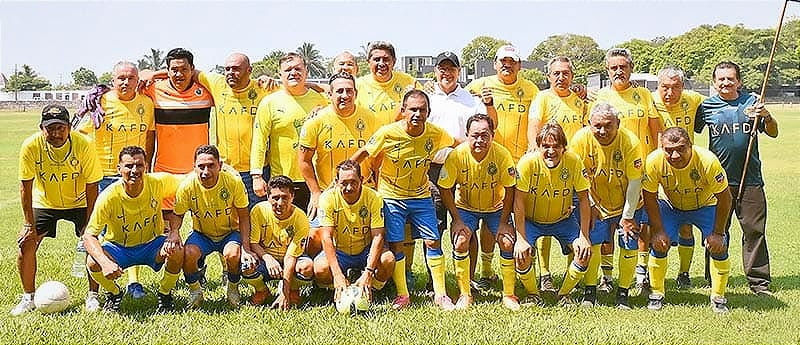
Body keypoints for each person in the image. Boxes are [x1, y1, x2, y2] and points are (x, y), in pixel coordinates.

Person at [351, 90, 455, 310]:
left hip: (421, 195)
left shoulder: (436, 134)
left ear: (428, 112)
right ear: (403, 111)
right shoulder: (388, 133)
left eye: (422, 110)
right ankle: (403, 295)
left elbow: (456, 143)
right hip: (392, 196)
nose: (417, 114)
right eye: (413, 109)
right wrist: (342, 175)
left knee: (433, 241)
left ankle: (441, 295)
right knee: (397, 244)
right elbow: (364, 152)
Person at [694, 61, 779, 296]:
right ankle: (714, 279)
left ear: (739, 81)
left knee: (754, 231)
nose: (726, 83)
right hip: (718, 181)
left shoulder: (752, 103)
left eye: (731, 78)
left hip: (750, 179)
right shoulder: (706, 107)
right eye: (721, 79)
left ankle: (759, 283)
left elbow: (773, 131)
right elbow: (690, 130)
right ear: (714, 82)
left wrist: (767, 115)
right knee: (717, 230)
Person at [77, 61, 155, 302]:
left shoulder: (146, 103)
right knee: (96, 234)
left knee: (135, 229)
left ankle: (134, 283)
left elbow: (150, 137)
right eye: (121, 78)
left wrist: (147, 168)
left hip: (135, 173)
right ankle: (94, 293)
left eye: (131, 78)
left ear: (137, 80)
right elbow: (80, 135)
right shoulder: (100, 102)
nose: (125, 82)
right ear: (112, 80)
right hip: (104, 175)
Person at [13, 104, 102, 316]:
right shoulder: (31, 145)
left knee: (95, 243)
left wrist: (90, 226)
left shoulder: (84, 144)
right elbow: (25, 186)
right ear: (41, 128)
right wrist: (28, 225)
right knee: (25, 245)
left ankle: (93, 296)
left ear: (69, 127)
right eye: (50, 128)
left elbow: (92, 186)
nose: (55, 133)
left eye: (60, 127)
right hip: (46, 203)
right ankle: (28, 297)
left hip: (80, 201)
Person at [465, 44, 539, 286]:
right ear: (495, 64)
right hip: (489, 162)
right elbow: (457, 97)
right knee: (490, 216)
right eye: (502, 61)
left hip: (521, 164)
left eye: (512, 61)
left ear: (519, 65)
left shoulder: (531, 89)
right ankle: (486, 271)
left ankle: (526, 268)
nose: (507, 65)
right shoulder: (479, 85)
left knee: (522, 217)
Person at [82, 146, 184, 313]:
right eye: (129, 166)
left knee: (177, 250)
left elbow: (188, 179)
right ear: (119, 169)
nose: (135, 170)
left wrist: (224, 169)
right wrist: (105, 262)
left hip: (152, 245)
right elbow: (89, 236)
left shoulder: (157, 183)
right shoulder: (108, 196)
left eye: (139, 165)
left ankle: (165, 295)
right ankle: (115, 293)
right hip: (119, 248)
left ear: (146, 166)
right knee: (93, 262)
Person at [592, 47, 661, 294]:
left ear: (631, 68)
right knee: (607, 227)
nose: (618, 71)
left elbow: (656, 131)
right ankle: (606, 277)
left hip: (640, 172)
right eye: (613, 68)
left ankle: (641, 274)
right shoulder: (601, 96)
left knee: (641, 225)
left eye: (623, 67)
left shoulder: (643, 94)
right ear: (607, 71)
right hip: (609, 173)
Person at [643, 127, 732, 313]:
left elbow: (725, 197)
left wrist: (718, 233)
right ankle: (656, 294)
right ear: (662, 148)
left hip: (706, 205)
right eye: (668, 150)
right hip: (671, 205)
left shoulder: (707, 161)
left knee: (719, 245)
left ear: (690, 146)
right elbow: (649, 196)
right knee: (659, 243)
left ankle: (718, 297)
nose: (674, 155)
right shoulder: (653, 161)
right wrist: (658, 230)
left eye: (681, 149)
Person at [426, 51, 495, 291]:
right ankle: (435, 281)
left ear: (459, 71)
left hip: (466, 171)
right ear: (435, 71)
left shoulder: (471, 100)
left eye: (451, 68)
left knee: (466, 225)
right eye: (442, 68)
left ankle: (469, 278)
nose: (447, 73)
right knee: (434, 227)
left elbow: (484, 129)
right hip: (433, 171)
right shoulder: (427, 100)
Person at [569, 103, 644, 309]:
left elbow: (635, 181)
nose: (603, 131)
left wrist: (628, 216)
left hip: (628, 202)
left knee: (628, 242)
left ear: (618, 124)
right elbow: (578, 179)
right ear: (589, 124)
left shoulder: (630, 141)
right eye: (598, 126)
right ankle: (590, 292)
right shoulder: (580, 140)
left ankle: (623, 293)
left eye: (608, 126)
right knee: (593, 242)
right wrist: (591, 205)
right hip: (596, 201)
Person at [437, 114, 516, 310]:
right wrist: (456, 219)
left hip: (495, 208)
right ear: (467, 135)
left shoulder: (502, 155)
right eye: (475, 136)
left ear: (493, 135)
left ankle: (509, 295)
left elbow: (511, 189)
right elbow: (444, 188)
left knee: (507, 242)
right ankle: (465, 294)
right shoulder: (456, 155)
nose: (479, 140)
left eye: (484, 135)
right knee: (461, 241)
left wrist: (505, 221)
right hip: (466, 208)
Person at [513, 122, 592, 307]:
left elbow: (583, 199)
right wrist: (521, 238)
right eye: (545, 146)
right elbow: (518, 202)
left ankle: (564, 294)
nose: (550, 151)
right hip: (532, 221)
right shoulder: (527, 163)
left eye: (556, 146)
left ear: (564, 147)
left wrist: (584, 236)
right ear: (538, 147)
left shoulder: (573, 161)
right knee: (522, 254)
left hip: (563, 220)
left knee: (583, 253)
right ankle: (533, 294)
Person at [527, 56, 588, 293]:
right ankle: (545, 274)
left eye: (566, 73)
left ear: (572, 76)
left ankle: (569, 280)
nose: (561, 77)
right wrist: (536, 156)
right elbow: (534, 132)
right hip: (546, 169)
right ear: (548, 76)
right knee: (544, 222)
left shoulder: (579, 102)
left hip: (571, 171)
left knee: (571, 225)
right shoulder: (542, 98)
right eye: (556, 74)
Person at [299, 71, 376, 256]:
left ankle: (373, 277)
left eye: (349, 91)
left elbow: (377, 159)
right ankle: (319, 277)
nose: (345, 95)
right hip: (329, 193)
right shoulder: (315, 122)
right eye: (339, 91)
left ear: (356, 93)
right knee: (314, 237)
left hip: (364, 192)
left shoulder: (371, 119)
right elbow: (303, 160)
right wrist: (316, 193)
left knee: (379, 237)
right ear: (330, 94)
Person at [174, 145, 252, 307]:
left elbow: (244, 217)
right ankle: (195, 290)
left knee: (232, 254)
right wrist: (174, 232)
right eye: (201, 166)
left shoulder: (233, 182)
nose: (205, 171)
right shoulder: (186, 186)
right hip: (202, 234)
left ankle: (232, 288)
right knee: (188, 253)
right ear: (194, 167)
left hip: (230, 233)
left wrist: (246, 247)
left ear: (220, 165)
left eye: (211, 165)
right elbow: (178, 215)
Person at [195, 52, 275, 209]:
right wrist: (152, 74)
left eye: (236, 69)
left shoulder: (264, 88)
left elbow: (296, 90)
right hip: (225, 169)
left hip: (256, 171)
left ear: (249, 70)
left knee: (256, 217)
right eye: (227, 69)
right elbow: (187, 70)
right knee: (228, 218)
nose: (231, 73)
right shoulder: (217, 83)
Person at [251, 52, 328, 212]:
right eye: (288, 70)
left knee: (314, 231)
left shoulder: (321, 100)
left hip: (315, 179)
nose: (294, 73)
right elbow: (259, 140)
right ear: (280, 74)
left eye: (298, 69)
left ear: (306, 71)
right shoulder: (269, 103)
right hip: (282, 179)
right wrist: (257, 176)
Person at [313, 160, 396, 309]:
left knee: (388, 260)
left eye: (353, 182)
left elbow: (378, 236)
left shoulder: (374, 198)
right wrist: (337, 274)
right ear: (337, 182)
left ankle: (371, 288)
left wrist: (369, 272)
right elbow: (326, 237)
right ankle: (337, 289)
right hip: (341, 251)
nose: (349, 187)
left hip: (365, 250)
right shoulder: (327, 198)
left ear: (362, 180)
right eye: (344, 183)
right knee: (320, 269)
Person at [653, 66, 706, 289]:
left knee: (686, 226)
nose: (669, 92)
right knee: (651, 226)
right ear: (658, 87)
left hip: (687, 171)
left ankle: (684, 273)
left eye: (675, 88)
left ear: (683, 88)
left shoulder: (693, 99)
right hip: (658, 170)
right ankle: (646, 274)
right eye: (665, 87)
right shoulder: (649, 100)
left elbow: (722, 99)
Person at [243, 175, 314, 310]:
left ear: (292, 197)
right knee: (246, 265)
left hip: (290, 258)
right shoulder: (258, 211)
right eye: (275, 198)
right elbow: (253, 242)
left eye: (285, 197)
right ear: (267, 197)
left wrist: (284, 293)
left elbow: (291, 257)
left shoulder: (301, 218)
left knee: (307, 267)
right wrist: (268, 259)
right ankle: (261, 290)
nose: (280, 203)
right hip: (266, 258)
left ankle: (293, 289)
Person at [355, 41, 420, 127]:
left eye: (386, 59)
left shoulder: (409, 81)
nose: (381, 64)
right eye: (377, 59)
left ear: (394, 61)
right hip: (371, 138)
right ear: (368, 62)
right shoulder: (357, 86)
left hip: (400, 138)